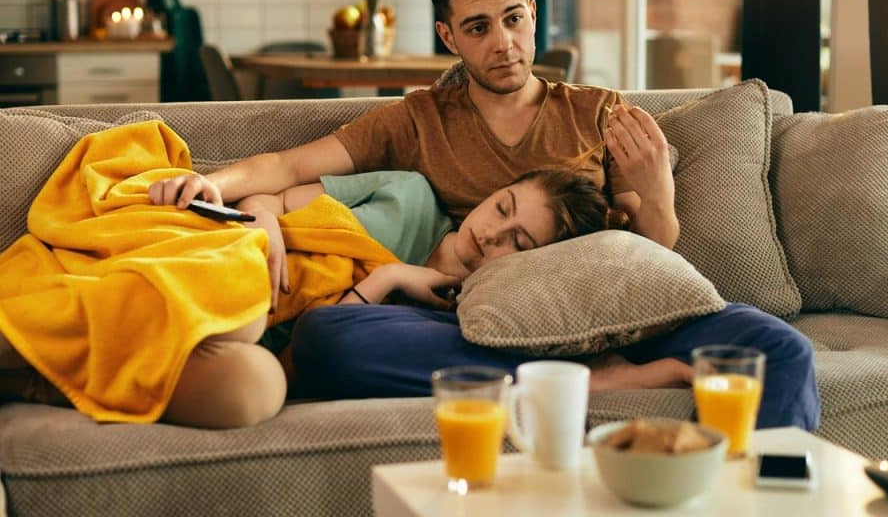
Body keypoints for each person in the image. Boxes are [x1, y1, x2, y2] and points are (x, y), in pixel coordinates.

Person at [148, 0, 820, 429]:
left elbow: (651, 258)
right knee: (333, 342)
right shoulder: (418, 119)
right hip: (472, 325)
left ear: (532, 12)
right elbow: (286, 167)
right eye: (477, 28)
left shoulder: (598, 112)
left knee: (779, 348)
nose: (502, 43)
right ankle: (598, 384)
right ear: (449, 35)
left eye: (513, 19)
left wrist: (659, 198)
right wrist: (209, 181)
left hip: (605, 318)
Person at [0, 163, 619, 429]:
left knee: (256, 387)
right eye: (503, 207)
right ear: (496, 188)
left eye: (518, 240)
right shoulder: (408, 193)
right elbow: (267, 201)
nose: (490, 231)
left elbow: (321, 350)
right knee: (241, 302)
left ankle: (38, 373)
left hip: (257, 338)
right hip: (229, 263)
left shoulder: (465, 313)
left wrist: (390, 280)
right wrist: (264, 229)